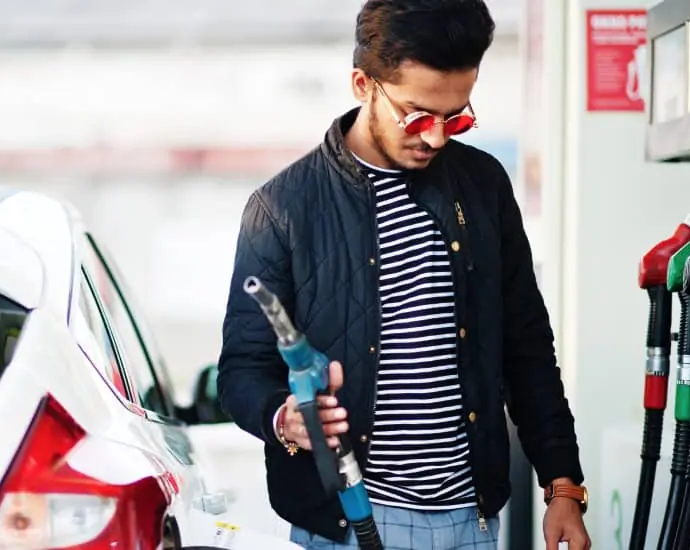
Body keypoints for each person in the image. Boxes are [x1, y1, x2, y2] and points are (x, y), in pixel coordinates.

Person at [215, 1, 591, 549]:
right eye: (417, 116)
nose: (436, 138)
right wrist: (284, 419)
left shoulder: (483, 187)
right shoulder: (282, 209)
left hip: (473, 519)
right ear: (363, 84)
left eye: (456, 117)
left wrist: (563, 486)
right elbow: (242, 371)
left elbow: (526, 346)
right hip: (347, 523)